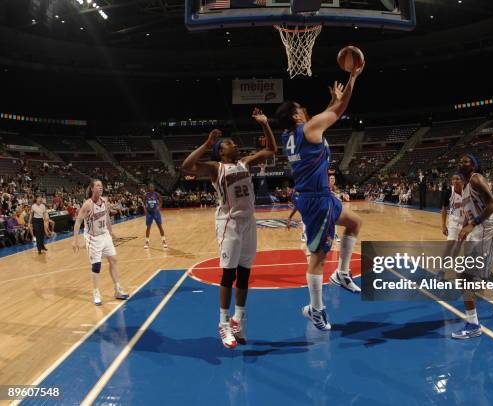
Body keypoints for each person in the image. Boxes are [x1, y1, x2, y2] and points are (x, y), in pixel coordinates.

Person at [274, 62, 364, 331]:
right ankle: (316, 310)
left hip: (318, 195)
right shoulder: (307, 129)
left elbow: (323, 119)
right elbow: (340, 110)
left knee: (355, 222)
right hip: (316, 200)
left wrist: (330, 103)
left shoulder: (289, 135)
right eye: (300, 107)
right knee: (318, 256)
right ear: (295, 115)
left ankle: (342, 273)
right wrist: (352, 78)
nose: (304, 109)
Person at [181, 108, 276, 349]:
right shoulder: (216, 168)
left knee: (245, 274)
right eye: (227, 143)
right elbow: (186, 166)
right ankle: (223, 322)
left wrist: (265, 124)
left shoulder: (245, 162)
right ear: (220, 152)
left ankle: (239, 319)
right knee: (229, 274)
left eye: (231, 142)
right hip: (229, 224)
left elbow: (272, 150)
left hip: (249, 222)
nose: (233, 144)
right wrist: (207, 142)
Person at [452, 154, 493, 339]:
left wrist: (472, 225)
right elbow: (471, 213)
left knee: (465, 275)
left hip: (491, 231)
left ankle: (473, 324)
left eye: (466, 161)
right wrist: (464, 229)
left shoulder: (476, 178)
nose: (461, 163)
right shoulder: (465, 187)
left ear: (474, 165)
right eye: (460, 160)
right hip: (481, 232)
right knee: (485, 272)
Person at [72, 179, 129, 306]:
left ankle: (117, 290)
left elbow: (107, 217)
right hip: (93, 238)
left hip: (105, 235)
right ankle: (96, 293)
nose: (100, 187)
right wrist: (75, 240)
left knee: (113, 260)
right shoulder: (88, 204)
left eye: (101, 186)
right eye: (98, 186)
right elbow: (78, 221)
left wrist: (111, 231)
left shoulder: (105, 200)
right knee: (96, 266)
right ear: (92, 188)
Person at [143, 184, 168, 249]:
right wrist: (145, 209)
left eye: (152, 187)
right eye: (150, 187)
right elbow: (144, 203)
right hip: (149, 213)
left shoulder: (157, 194)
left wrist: (159, 207)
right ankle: (147, 242)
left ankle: (164, 241)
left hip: (156, 213)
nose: (151, 188)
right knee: (148, 227)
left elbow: (161, 202)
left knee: (160, 226)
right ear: (148, 188)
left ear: (154, 188)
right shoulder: (146, 195)